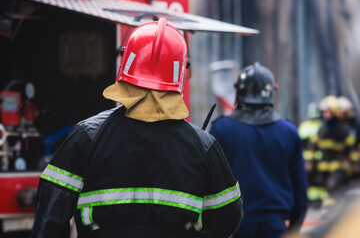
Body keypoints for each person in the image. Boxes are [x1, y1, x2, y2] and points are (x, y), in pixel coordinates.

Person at [31, 18, 243, 238]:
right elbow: (227, 219)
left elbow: (49, 216)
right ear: (182, 71)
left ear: (126, 64)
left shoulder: (86, 136)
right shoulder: (203, 145)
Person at [210, 62, 308, 238]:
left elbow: (210, 185)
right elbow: (300, 193)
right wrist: (292, 230)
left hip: (235, 227)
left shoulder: (222, 129)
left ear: (238, 92)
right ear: (272, 93)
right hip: (275, 227)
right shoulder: (289, 132)